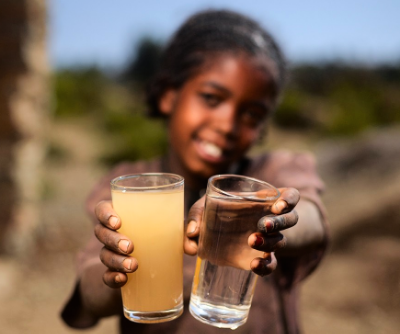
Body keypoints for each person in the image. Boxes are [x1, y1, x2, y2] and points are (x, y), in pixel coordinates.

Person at [61, 9, 329, 334]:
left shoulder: (275, 171)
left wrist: (267, 221)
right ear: (168, 96)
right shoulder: (129, 185)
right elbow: (91, 295)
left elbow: (311, 216)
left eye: (252, 114)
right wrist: (114, 271)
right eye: (211, 98)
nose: (228, 125)